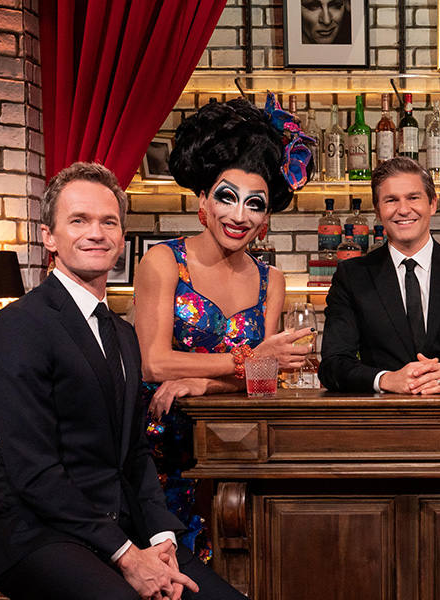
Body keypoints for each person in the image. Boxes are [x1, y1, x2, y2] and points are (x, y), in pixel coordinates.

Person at [0, 162, 245, 599]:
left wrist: (161, 539)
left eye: (108, 222)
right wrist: (126, 556)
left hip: (122, 527)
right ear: (49, 237)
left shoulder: (122, 333)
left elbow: (135, 454)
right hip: (38, 534)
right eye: (79, 220)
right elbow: (35, 473)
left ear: (120, 239)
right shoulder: (17, 325)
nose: (95, 232)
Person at [133, 97, 312, 559]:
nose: (239, 215)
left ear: (266, 219)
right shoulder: (162, 262)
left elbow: (265, 384)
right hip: (160, 457)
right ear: (203, 202)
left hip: (235, 452)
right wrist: (248, 360)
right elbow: (152, 364)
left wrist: (199, 381)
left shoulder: (272, 280)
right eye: (226, 197)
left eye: (255, 204)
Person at [320, 157, 440, 394]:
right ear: (378, 211)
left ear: (432, 204)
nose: (404, 209)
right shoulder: (352, 276)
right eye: (391, 200)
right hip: (381, 423)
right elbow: (332, 366)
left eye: (413, 198)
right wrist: (386, 379)